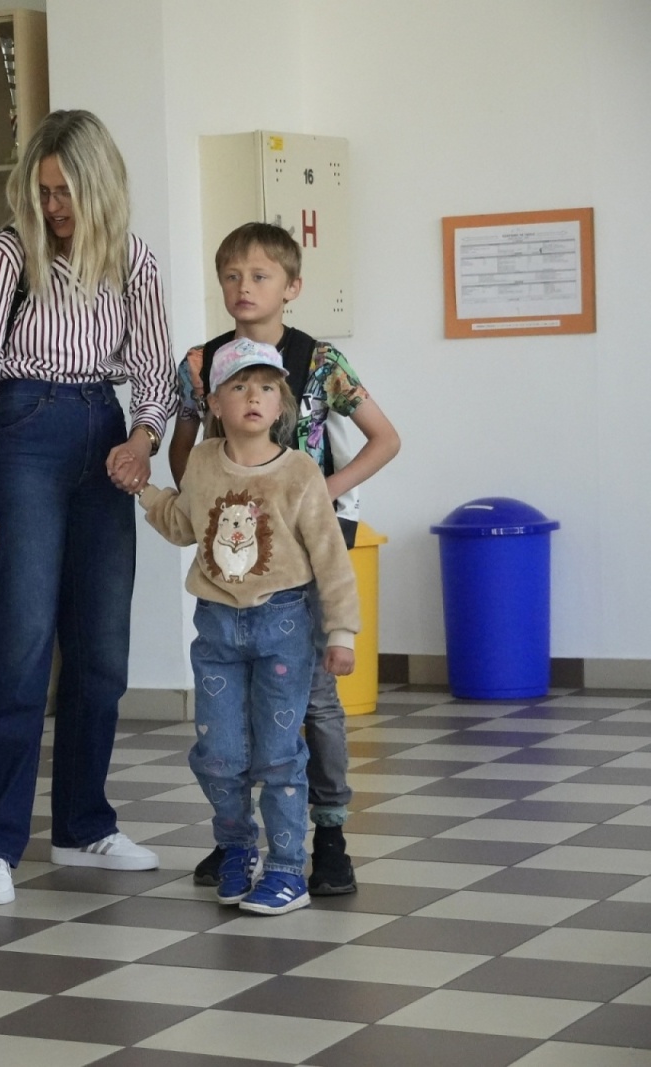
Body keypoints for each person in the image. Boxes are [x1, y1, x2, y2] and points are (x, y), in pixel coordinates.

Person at [0, 109, 176, 906]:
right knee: (20, 645)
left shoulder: (134, 260)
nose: (52, 206)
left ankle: (84, 824)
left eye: (66, 191)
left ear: (99, 186)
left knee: (102, 648)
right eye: (42, 191)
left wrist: (144, 438)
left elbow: (158, 372)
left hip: (103, 433)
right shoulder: (8, 257)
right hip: (23, 433)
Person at [168, 222, 400, 895]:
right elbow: (185, 446)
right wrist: (200, 498)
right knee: (234, 699)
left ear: (291, 287)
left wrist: (320, 492)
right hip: (239, 556)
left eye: (260, 276)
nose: (244, 287)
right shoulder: (200, 363)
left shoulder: (319, 360)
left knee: (315, 699)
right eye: (231, 276)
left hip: (309, 550)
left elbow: (385, 439)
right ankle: (236, 837)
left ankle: (327, 834)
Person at [138, 339, 360, 915]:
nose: (253, 397)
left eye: (265, 387)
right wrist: (144, 489)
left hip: (284, 626)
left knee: (280, 755)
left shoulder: (299, 471)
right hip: (216, 630)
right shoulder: (203, 462)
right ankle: (237, 848)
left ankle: (287, 867)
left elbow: (331, 555)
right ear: (215, 403)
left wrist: (341, 632)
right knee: (218, 752)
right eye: (238, 387)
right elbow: (184, 525)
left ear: (281, 402)